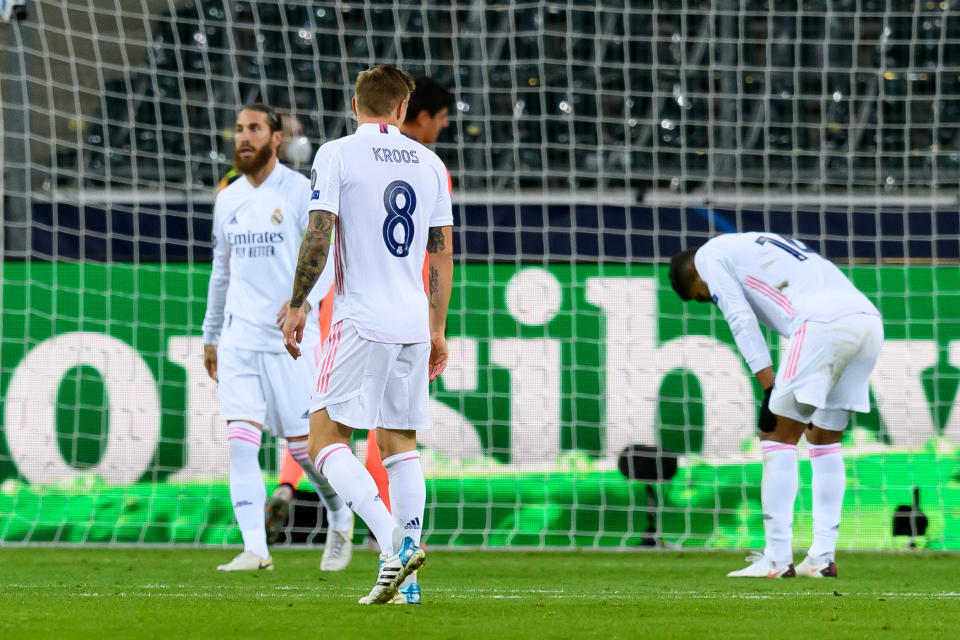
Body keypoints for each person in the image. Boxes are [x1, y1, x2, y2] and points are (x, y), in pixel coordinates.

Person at [281, 64, 454, 605]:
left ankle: (392, 546)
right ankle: (408, 585)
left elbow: (319, 231)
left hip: (360, 319)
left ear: (355, 105)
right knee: (401, 447)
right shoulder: (430, 164)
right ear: (403, 109)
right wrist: (438, 328)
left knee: (324, 441)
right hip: (411, 324)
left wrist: (297, 302)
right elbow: (441, 253)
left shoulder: (336, 153)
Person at [669, 232, 883, 578]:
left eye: (701, 297)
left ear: (694, 275)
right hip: (867, 321)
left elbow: (739, 318)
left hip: (821, 323)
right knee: (824, 442)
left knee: (776, 437)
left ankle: (777, 558)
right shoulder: (750, 243)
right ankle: (821, 557)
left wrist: (768, 385)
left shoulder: (708, 257)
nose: (708, 300)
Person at [202, 103, 354, 572]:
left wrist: (303, 305)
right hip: (239, 338)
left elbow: (325, 260)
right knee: (240, 440)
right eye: (239, 130)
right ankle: (256, 549)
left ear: (275, 139)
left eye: (254, 129)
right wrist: (210, 334)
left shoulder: (298, 191)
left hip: (291, 340)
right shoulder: (227, 196)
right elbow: (220, 271)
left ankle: (339, 513)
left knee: (304, 451)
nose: (243, 137)